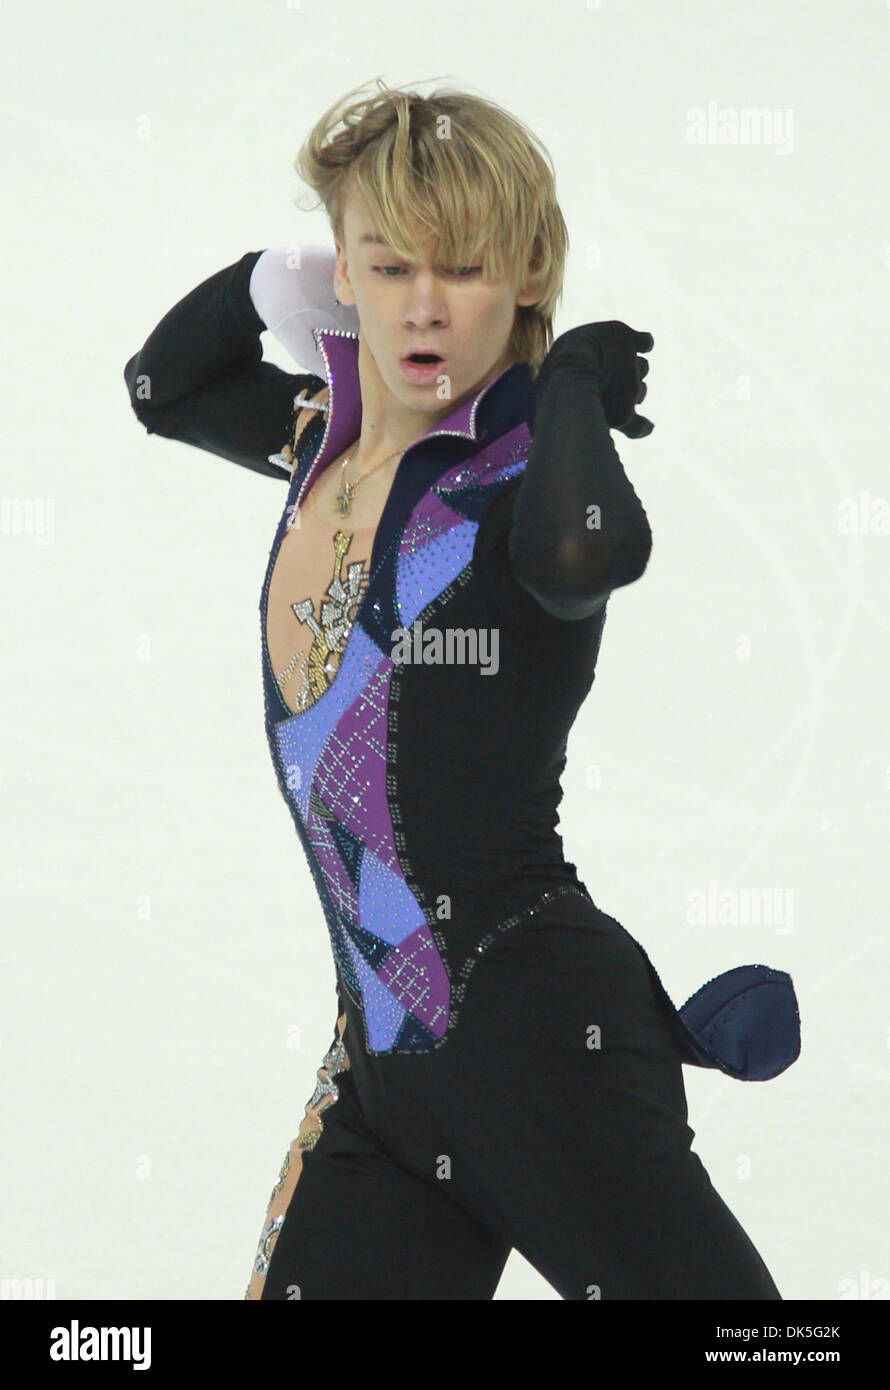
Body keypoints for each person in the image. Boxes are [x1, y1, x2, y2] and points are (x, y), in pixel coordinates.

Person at [123, 78, 800, 1301]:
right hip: (383, 1080)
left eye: (465, 267)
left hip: (544, 1050)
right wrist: (298, 261)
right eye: (386, 270)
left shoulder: (521, 474)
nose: (424, 307)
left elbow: (585, 553)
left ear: (531, 273)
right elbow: (161, 388)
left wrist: (573, 391)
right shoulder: (322, 436)